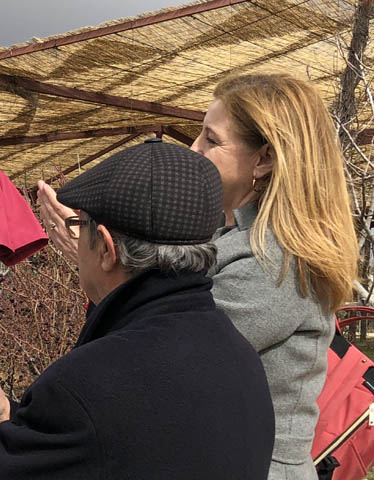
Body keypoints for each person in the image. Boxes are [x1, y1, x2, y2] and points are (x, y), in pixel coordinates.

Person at [0, 140, 275, 479]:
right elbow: (125, 449)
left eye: (80, 224)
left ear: (106, 249)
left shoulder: (90, 384)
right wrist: (8, 415)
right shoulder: (242, 360)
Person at [37, 72, 358, 479]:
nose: (194, 149)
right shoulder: (234, 241)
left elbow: (162, 358)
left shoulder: (275, 264)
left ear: (264, 159)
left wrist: (108, 265)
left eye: (211, 139)